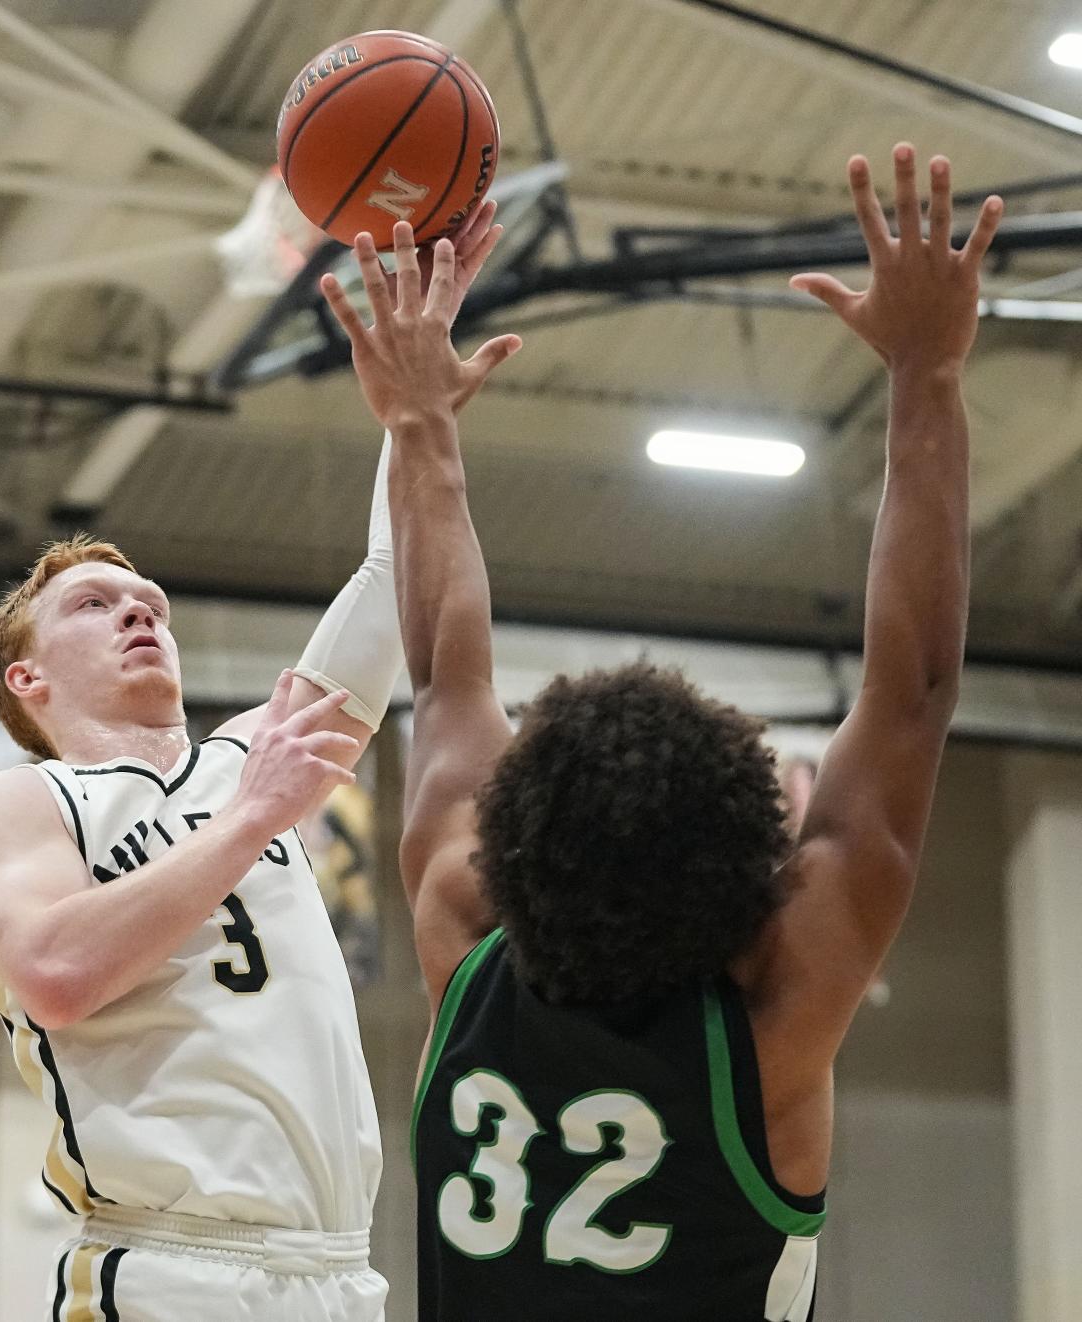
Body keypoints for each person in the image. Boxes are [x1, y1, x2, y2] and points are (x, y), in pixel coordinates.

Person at [321, 146, 1002, 1320]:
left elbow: (440, 671)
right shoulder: (775, 1019)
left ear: (504, 846)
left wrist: (421, 420)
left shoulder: (463, 937)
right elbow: (919, 686)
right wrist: (927, 371)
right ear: (753, 864)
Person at [0, 204, 506, 1322]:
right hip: (169, 1266)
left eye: (146, 599)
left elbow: (397, 579)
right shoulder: (23, 802)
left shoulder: (257, 753)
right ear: (27, 679)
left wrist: (415, 409)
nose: (137, 610)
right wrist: (251, 821)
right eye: (95, 604)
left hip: (340, 1267)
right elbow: (57, 974)